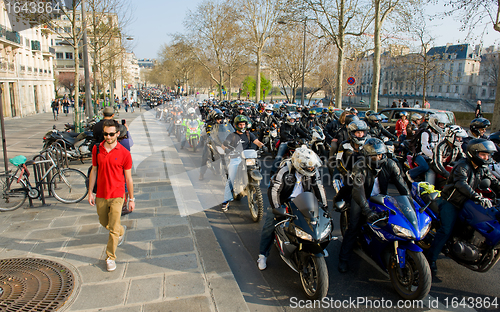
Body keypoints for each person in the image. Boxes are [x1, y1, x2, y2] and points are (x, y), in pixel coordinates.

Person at [426, 138, 500, 275]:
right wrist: (476, 196)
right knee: (446, 230)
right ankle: (431, 259)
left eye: (487, 155)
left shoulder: (481, 168)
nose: (486, 158)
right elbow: (461, 184)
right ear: (474, 153)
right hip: (451, 202)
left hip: (467, 202)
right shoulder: (462, 166)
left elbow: (494, 182)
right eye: (483, 155)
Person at [338, 138, 409, 273]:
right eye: (374, 156)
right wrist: (367, 211)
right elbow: (358, 191)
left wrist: (408, 204)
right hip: (361, 198)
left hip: (381, 197)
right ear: (366, 156)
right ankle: (343, 258)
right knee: (354, 226)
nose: (378, 158)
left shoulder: (391, 165)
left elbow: (403, 186)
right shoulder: (359, 166)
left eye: (380, 155)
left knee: (393, 221)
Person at [257, 145, 327, 270]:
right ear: (299, 165)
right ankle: (262, 255)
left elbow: (319, 187)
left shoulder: (312, 172)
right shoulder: (284, 170)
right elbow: (274, 190)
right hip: (284, 201)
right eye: (308, 166)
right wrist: (277, 208)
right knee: (269, 226)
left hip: (304, 201)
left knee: (317, 222)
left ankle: (317, 246)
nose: (311, 168)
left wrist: (324, 206)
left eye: (312, 166)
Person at [87, 119, 135, 272]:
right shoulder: (97, 149)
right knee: (104, 222)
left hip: (117, 195)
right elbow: (94, 170)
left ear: (117, 133)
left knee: (112, 229)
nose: (108, 137)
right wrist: (90, 192)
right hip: (101, 193)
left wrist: (132, 199)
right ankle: (121, 230)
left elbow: (128, 178)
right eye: (106, 134)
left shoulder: (125, 153)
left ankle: (110, 257)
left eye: (111, 134)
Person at [220, 115, 266, 211]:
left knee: (258, 166)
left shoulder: (249, 134)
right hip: (235, 158)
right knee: (231, 179)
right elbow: (223, 145)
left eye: (243, 124)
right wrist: (227, 150)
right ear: (236, 125)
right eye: (240, 124)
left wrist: (263, 146)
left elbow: (257, 142)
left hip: (247, 157)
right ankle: (226, 201)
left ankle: (254, 185)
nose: (242, 126)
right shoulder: (232, 135)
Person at [407, 115, 447, 184]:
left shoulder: (439, 135)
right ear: (434, 123)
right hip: (421, 155)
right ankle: (411, 174)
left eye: (443, 124)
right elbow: (424, 149)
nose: (442, 126)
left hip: (433, 157)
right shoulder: (425, 133)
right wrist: (434, 156)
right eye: (440, 124)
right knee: (426, 167)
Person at [199, 109, 224, 180]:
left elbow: (227, 131)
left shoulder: (223, 125)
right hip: (210, 143)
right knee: (205, 157)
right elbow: (204, 133)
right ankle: (201, 174)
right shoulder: (209, 125)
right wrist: (207, 135)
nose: (220, 120)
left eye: (220, 119)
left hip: (220, 143)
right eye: (218, 119)